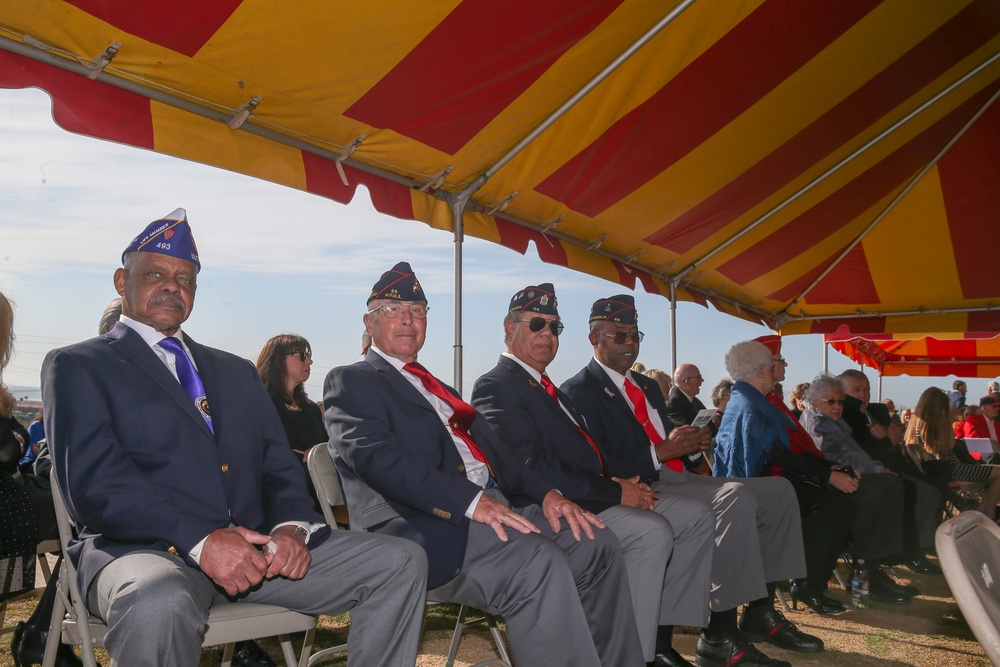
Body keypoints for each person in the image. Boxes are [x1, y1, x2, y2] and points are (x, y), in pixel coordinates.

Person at [42, 210, 428, 667]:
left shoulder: (235, 371)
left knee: (401, 561)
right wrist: (204, 541)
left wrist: (290, 528)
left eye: (185, 278)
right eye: (156, 274)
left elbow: (278, 468)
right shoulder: (79, 365)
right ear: (121, 281)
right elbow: (94, 487)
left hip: (257, 555)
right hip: (142, 552)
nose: (172, 286)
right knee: (157, 601)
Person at [325, 264, 644, 667]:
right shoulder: (351, 380)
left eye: (417, 309)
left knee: (595, 543)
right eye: (392, 309)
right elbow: (377, 460)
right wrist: (472, 503)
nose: (407, 318)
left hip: (492, 510)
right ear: (369, 322)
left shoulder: (441, 390)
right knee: (537, 563)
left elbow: (501, 459)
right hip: (425, 524)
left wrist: (548, 494)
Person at [559, 296, 819, 667]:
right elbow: (597, 460)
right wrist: (661, 453)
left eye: (635, 334)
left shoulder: (647, 388)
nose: (629, 343)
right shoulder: (578, 391)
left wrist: (694, 446)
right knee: (735, 496)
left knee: (778, 491)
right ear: (593, 338)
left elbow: (668, 440)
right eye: (619, 335)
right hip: (636, 482)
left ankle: (759, 610)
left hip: (671, 474)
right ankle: (717, 634)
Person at [472, 286, 714, 667]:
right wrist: (614, 493)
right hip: (544, 507)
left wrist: (619, 484)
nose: (547, 335)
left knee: (692, 515)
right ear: (509, 328)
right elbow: (528, 467)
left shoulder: (549, 390)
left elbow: (587, 457)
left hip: (591, 494)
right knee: (651, 531)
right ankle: (631, 657)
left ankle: (650, 643)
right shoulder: (497, 385)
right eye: (537, 324)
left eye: (555, 327)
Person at [797, 375, 917, 604]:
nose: (837, 406)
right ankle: (867, 570)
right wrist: (877, 471)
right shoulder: (818, 422)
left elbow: (857, 455)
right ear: (814, 402)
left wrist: (878, 468)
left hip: (850, 477)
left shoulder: (834, 421)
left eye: (840, 401)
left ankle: (871, 568)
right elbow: (840, 456)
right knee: (882, 488)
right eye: (830, 401)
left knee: (892, 485)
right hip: (830, 484)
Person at [837, 369, 942, 575]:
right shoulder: (846, 414)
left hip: (893, 465)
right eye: (856, 390)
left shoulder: (878, 411)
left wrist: (891, 442)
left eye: (866, 389)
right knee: (909, 489)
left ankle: (921, 546)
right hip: (871, 472)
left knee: (934, 487)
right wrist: (887, 440)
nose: (863, 394)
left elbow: (892, 448)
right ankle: (908, 553)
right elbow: (861, 451)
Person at [905, 387, 1000, 518]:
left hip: (949, 469)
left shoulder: (918, 424)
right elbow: (948, 445)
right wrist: (948, 422)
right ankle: (988, 514)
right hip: (953, 470)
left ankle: (980, 514)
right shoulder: (930, 426)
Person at [256, 334, 327, 461]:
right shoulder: (260, 405)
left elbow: (326, 447)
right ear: (279, 360)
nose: (309, 361)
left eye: (308, 356)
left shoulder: (312, 409)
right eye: (302, 355)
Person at [665, 364, 713, 474]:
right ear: (687, 380)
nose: (702, 380)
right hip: (693, 468)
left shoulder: (695, 402)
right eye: (699, 377)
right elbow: (685, 435)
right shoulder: (674, 403)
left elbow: (711, 428)